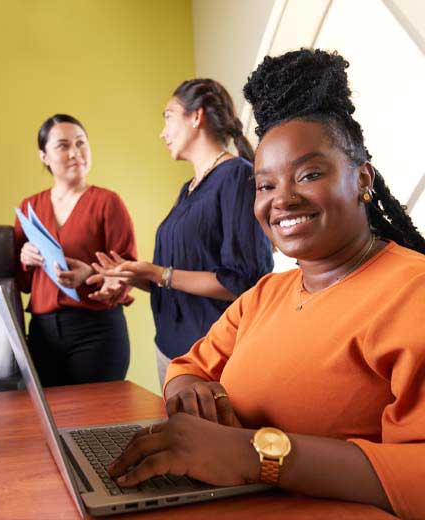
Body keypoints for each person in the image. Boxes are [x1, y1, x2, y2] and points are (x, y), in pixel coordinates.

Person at [107, 49, 425, 520]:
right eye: (265, 185)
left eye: (309, 174)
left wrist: (255, 454)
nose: (283, 200)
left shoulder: (412, 293)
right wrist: (189, 391)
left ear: (362, 179)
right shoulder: (266, 294)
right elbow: (188, 365)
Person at [94, 79, 273, 386]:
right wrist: (134, 275)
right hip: (170, 350)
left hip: (211, 355)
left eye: (168, 116)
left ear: (196, 116)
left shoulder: (236, 176)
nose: (162, 132)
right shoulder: (187, 189)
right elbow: (177, 279)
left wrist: (157, 272)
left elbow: (242, 281)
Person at [14, 114, 137, 386]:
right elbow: (22, 284)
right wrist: (25, 259)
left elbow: (129, 269)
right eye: (63, 145)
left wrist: (90, 274)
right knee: (51, 420)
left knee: (96, 421)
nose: (75, 153)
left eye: (81, 143)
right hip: (42, 332)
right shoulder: (29, 207)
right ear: (44, 155)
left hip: (96, 329)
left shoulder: (108, 202)